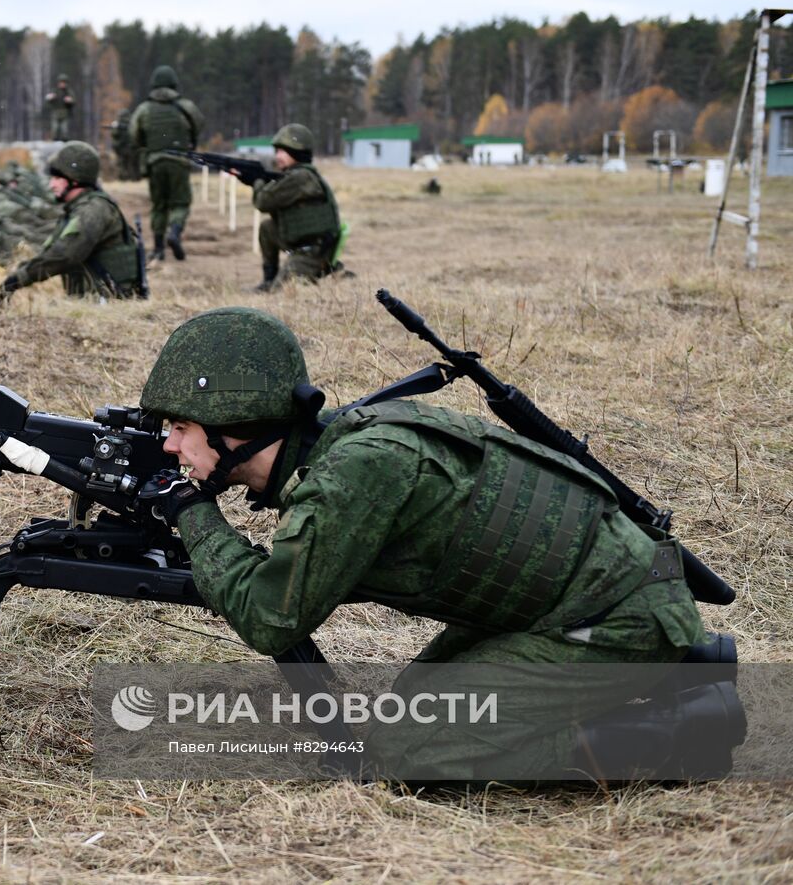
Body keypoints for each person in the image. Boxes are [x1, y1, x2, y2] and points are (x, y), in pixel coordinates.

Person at [136, 307, 740, 781]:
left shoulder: (354, 475)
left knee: (408, 750)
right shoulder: (351, 445)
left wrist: (195, 516)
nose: (170, 446)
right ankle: (678, 664)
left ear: (234, 427)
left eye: (181, 428)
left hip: (609, 616)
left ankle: (690, 730)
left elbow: (271, 617)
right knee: (417, 707)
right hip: (581, 601)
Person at [0, 142, 140, 299]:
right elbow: (51, 252)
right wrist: (18, 274)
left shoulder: (92, 210)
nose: (51, 184)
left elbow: (64, 255)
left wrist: (16, 280)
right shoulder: (80, 208)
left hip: (108, 302)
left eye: (58, 178)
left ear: (75, 180)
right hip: (96, 299)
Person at [234, 124, 342, 292]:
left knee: (280, 291)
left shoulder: (300, 177)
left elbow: (264, 201)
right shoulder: (298, 174)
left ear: (297, 153)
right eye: (276, 151)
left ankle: (328, 271)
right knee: (267, 228)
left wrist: (256, 181)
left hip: (311, 253)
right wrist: (254, 180)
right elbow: (273, 198)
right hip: (303, 244)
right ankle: (268, 279)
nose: (278, 156)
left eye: (283, 151)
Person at [129, 65, 204, 261]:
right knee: (180, 202)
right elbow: (199, 124)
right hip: (179, 161)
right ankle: (175, 233)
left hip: (155, 162)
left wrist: (147, 146)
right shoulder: (185, 106)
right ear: (174, 84)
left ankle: (159, 248)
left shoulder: (144, 109)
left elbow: (134, 135)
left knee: (159, 205)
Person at [46, 74, 76, 141]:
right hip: (56, 113)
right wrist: (51, 98)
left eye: (64, 82)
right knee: (55, 128)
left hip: (65, 113)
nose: (62, 84)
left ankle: (65, 141)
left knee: (65, 130)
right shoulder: (54, 91)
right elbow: (48, 99)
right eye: (61, 82)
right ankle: (54, 141)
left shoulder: (68, 92)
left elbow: (73, 101)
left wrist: (70, 100)